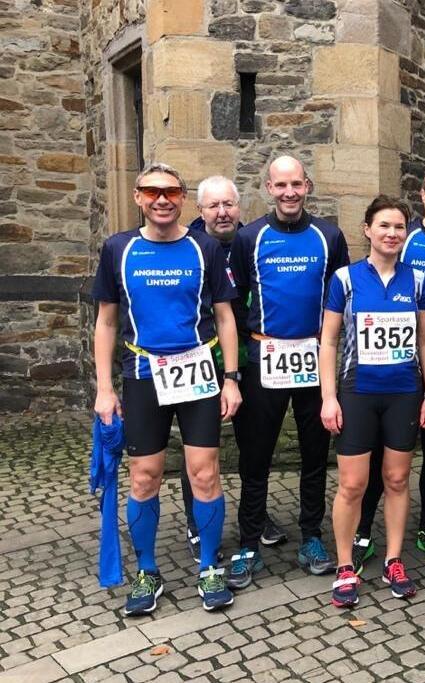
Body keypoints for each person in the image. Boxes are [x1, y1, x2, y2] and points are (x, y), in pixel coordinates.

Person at [92, 162, 241, 615]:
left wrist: (231, 379)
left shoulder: (204, 247)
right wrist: (104, 388)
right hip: (142, 375)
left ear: (182, 198)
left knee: (204, 473)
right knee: (144, 476)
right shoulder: (118, 248)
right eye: (152, 191)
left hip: (197, 372)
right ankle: (147, 571)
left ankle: (209, 567)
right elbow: (106, 322)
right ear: (138, 196)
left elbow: (225, 317)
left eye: (171, 192)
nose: (162, 200)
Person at [225, 156, 349, 589]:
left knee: (315, 454)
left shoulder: (329, 236)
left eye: (296, 183)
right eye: (281, 185)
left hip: (314, 358)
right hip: (265, 358)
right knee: (255, 456)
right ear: (269, 188)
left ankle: (311, 536)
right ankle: (248, 544)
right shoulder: (249, 238)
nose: (289, 192)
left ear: (307, 185)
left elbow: (339, 299)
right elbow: (235, 299)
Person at [320, 195, 425, 607]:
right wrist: (328, 398)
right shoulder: (345, 279)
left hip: (404, 393)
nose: (392, 233)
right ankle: (344, 565)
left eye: (399, 227)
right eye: (384, 226)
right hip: (358, 392)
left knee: (397, 480)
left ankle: (393, 559)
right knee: (352, 484)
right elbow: (328, 341)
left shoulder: (417, 280)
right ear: (367, 230)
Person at [354, 167, 425, 570]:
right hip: (396, 368)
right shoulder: (404, 238)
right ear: (422, 194)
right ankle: (363, 530)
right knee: (378, 455)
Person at [179, 176, 286, 562]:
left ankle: (254, 517)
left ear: (239, 207)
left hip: (250, 359)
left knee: (255, 445)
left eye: (229, 204)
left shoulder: (252, 241)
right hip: (200, 361)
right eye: (214, 206)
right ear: (200, 210)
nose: (222, 213)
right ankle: (196, 522)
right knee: (199, 448)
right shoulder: (186, 246)